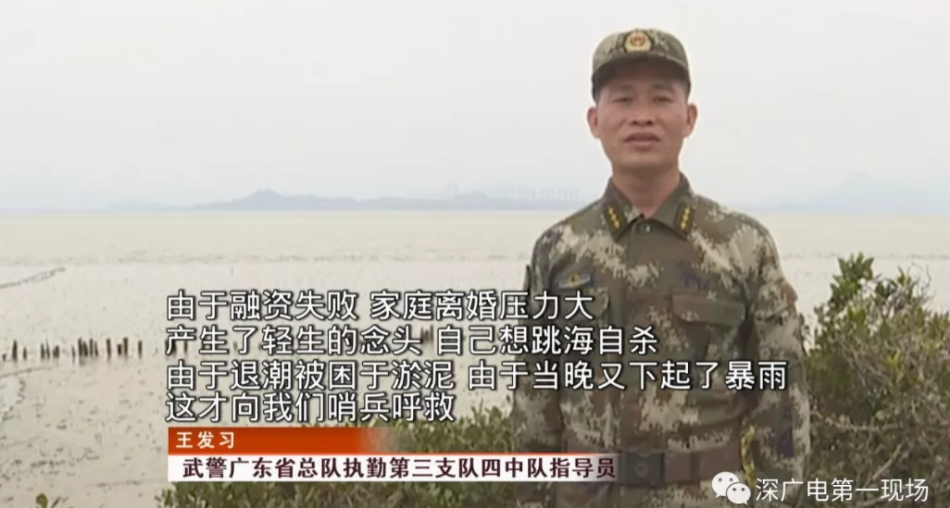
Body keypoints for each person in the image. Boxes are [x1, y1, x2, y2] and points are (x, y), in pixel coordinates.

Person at [511, 28, 810, 508]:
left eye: (660, 98)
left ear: (689, 118)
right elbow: (534, 402)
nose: (642, 116)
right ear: (595, 121)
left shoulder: (742, 246)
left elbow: (782, 404)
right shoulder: (559, 250)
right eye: (623, 99)